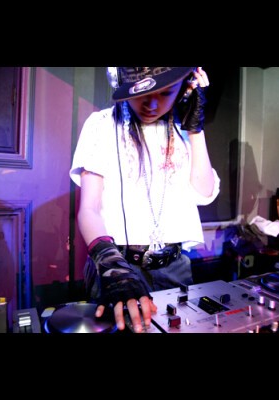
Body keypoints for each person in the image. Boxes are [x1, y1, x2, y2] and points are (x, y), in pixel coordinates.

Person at [69, 67, 220, 333]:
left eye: (165, 93)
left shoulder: (185, 129)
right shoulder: (101, 125)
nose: (151, 104)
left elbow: (203, 193)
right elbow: (88, 209)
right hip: (117, 264)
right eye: (142, 94)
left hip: (175, 268)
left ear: (186, 86)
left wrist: (196, 129)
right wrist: (113, 267)